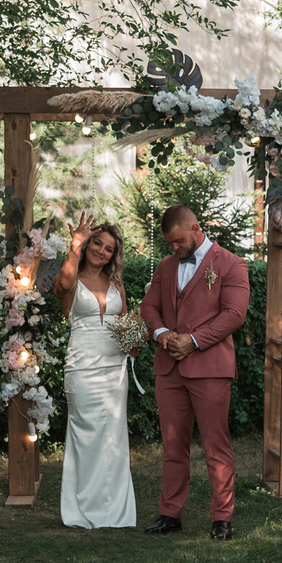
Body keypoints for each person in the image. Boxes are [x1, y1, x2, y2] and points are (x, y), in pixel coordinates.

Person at [139, 205, 251, 539]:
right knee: (173, 446)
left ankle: (222, 518)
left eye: (178, 241)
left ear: (195, 228)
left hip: (210, 369)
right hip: (169, 368)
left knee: (216, 445)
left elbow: (233, 315)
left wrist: (193, 341)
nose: (174, 248)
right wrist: (161, 334)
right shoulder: (165, 266)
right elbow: (149, 307)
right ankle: (169, 513)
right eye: (169, 244)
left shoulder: (231, 264)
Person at [56, 216, 139, 529]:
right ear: (87, 243)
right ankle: (84, 509)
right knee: (86, 436)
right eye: (97, 243)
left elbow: (124, 323)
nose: (101, 251)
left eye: (108, 249)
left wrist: (134, 343)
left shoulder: (116, 284)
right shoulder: (70, 280)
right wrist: (75, 246)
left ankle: (115, 512)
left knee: (114, 437)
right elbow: (62, 286)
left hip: (114, 369)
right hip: (82, 367)